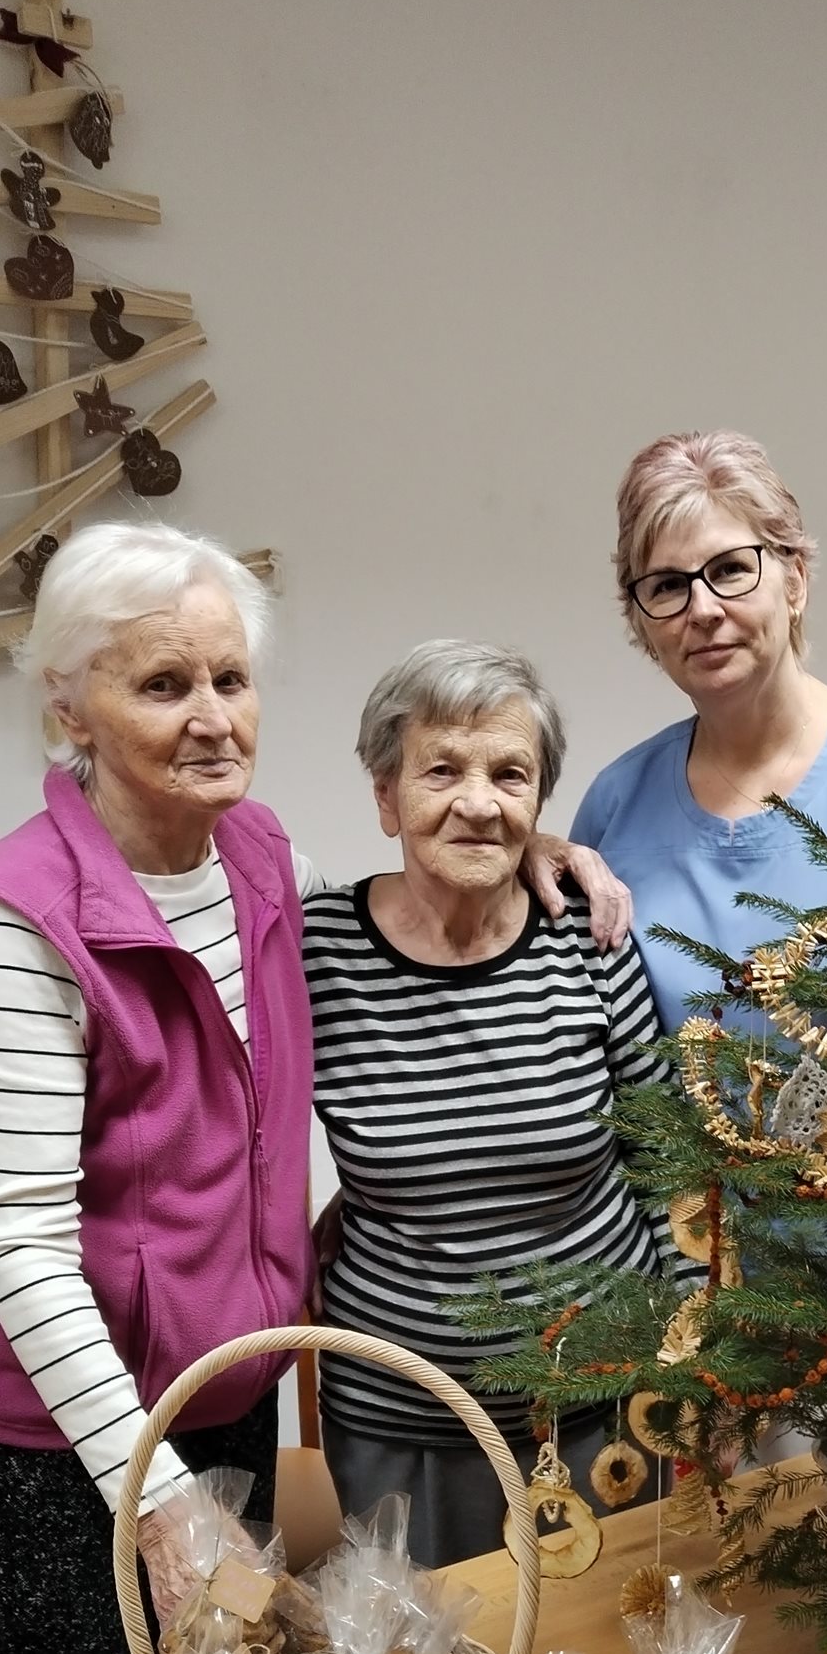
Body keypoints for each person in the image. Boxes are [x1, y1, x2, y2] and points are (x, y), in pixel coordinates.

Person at [0, 530, 628, 1654]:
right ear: (69, 707)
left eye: (230, 679)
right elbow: (25, 1243)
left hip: (222, 1388)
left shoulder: (257, 856)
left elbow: (336, 991)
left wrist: (515, 837)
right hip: (66, 1433)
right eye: (162, 684)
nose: (211, 718)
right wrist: (160, 1501)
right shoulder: (16, 914)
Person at [304, 640, 670, 1564]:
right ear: (385, 795)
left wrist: (695, 1363)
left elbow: (668, 1161)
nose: (478, 802)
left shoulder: (585, 935)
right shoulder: (315, 952)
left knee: (612, 1638)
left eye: (511, 774)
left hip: (604, 1407)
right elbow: (225, 1121)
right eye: (441, 770)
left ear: (539, 802)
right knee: (427, 1649)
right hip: (399, 1421)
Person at [569, 428, 827, 1030]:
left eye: (730, 569)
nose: (703, 609)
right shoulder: (614, 805)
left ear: (795, 581)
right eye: (667, 585)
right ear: (641, 621)